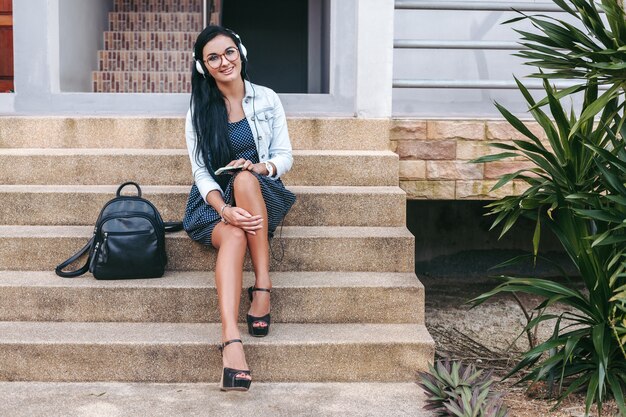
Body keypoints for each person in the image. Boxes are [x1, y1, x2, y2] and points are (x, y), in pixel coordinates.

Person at [183, 25, 296, 391]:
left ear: (241, 53)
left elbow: (283, 157)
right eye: (212, 57)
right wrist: (223, 210)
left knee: (246, 179)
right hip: (214, 201)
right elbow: (201, 171)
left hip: (261, 192)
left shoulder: (266, 99)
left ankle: (262, 283)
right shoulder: (200, 110)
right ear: (203, 67)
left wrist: (258, 168)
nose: (223, 61)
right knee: (232, 235)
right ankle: (231, 341)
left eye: (229, 52)